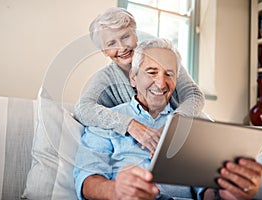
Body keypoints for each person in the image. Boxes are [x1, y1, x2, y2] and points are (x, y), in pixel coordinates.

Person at [73, 38, 262, 200]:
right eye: (152, 72)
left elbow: (205, 191)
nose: (161, 83)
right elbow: (87, 179)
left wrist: (227, 191)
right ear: (133, 77)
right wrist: (116, 190)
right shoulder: (107, 121)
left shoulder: (192, 125)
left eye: (169, 74)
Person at [74, 7, 205, 155]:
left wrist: (173, 124)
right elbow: (82, 109)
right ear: (104, 51)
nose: (122, 47)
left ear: (135, 35)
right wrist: (129, 124)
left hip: (188, 130)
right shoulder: (105, 78)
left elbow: (194, 94)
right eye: (111, 43)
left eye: (125, 37)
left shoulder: (161, 55)